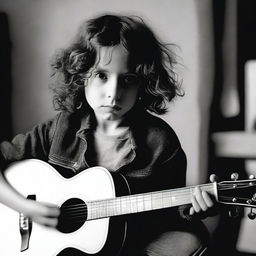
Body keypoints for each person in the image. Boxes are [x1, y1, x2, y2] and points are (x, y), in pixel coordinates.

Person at [0, 14, 215, 256]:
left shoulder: (161, 143)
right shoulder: (62, 127)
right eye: (102, 75)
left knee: (192, 239)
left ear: (143, 83)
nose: (113, 93)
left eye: (127, 80)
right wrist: (23, 206)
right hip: (53, 247)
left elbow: (168, 217)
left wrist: (193, 209)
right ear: (82, 76)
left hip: (126, 245)